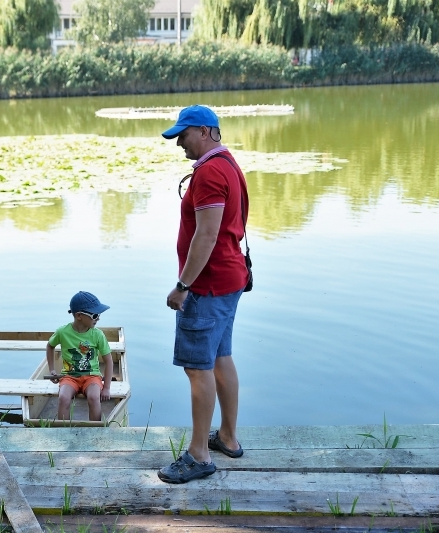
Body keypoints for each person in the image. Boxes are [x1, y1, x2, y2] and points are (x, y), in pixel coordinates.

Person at [157, 105, 250, 484]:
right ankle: (227, 437)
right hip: (228, 280)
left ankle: (199, 455)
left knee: (198, 368)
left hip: (207, 286)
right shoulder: (228, 163)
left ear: (206, 131)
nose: (179, 142)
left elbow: (207, 235)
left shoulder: (211, 172)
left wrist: (183, 286)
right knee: (220, 357)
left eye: (184, 134)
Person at [46, 291, 113, 421]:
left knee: (94, 397)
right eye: (94, 315)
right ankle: (63, 432)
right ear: (79, 316)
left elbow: (109, 361)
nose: (98, 318)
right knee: (63, 398)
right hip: (69, 376)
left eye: (98, 315)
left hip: (92, 376)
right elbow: (50, 346)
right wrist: (52, 369)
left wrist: (107, 388)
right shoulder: (62, 332)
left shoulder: (98, 335)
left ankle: (95, 433)